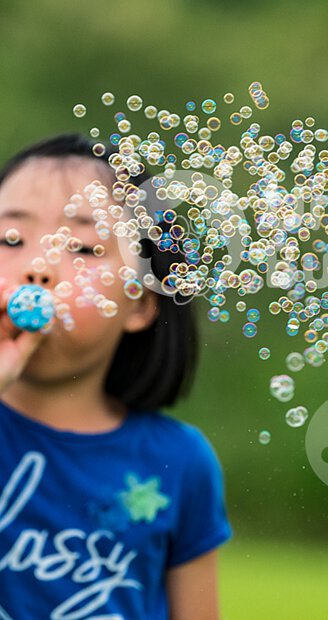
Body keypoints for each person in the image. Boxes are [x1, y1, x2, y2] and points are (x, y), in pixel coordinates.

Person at [0, 133, 233, 619]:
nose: (38, 268)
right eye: (11, 239)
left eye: (84, 248)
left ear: (141, 303)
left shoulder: (179, 462)